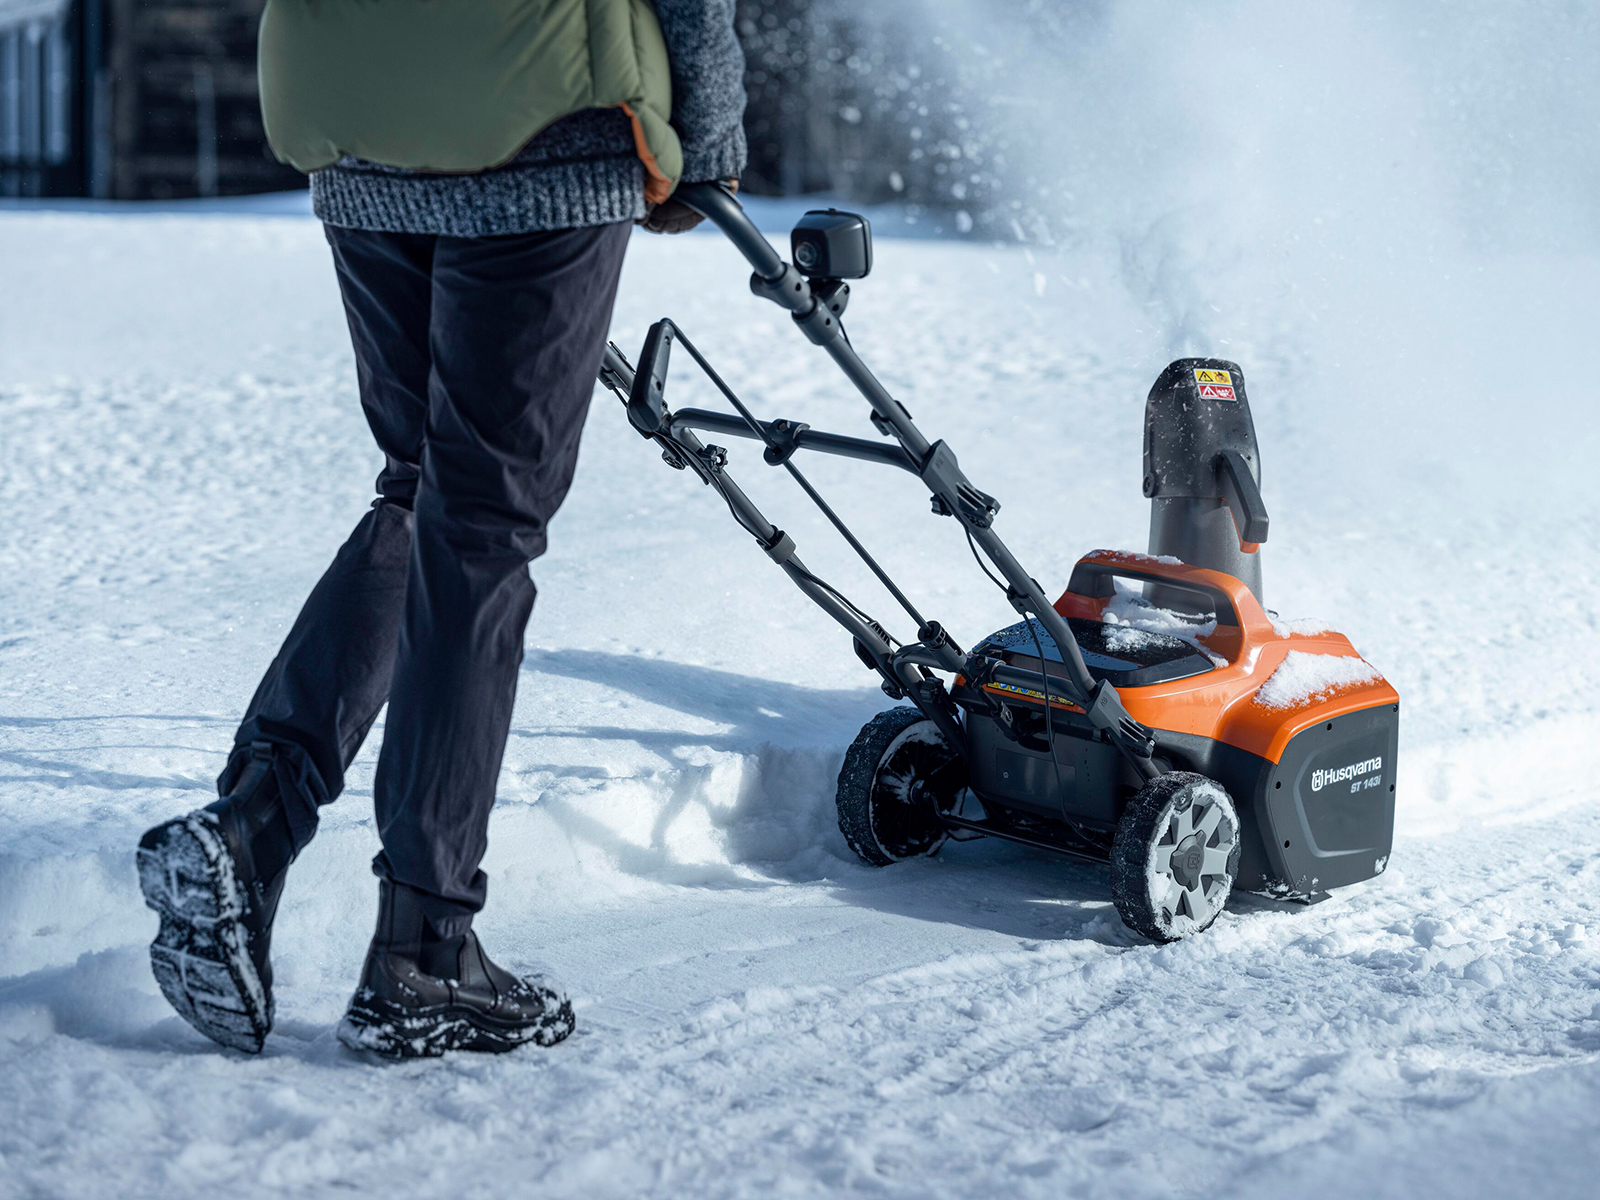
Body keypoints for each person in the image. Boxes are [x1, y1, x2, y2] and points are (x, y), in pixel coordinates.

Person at [135, 0, 747, 1059]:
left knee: (423, 487)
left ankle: (252, 825)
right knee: (483, 520)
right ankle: (424, 948)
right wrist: (713, 135)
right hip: (543, 119)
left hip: (352, 99)